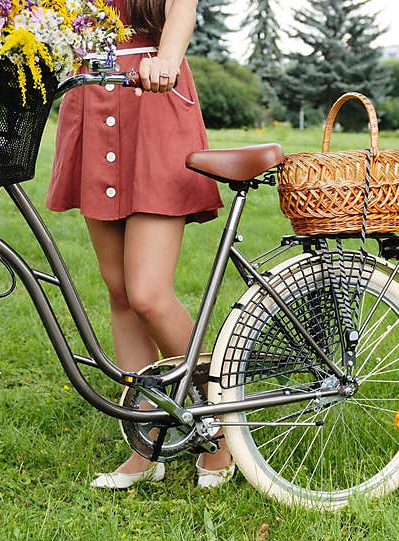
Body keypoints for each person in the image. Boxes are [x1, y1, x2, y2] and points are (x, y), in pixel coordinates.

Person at [46, 0, 235, 490]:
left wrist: (168, 59)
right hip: (94, 101)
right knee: (119, 293)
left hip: (152, 97)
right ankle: (145, 443)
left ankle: (222, 427)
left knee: (148, 293)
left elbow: (181, 13)